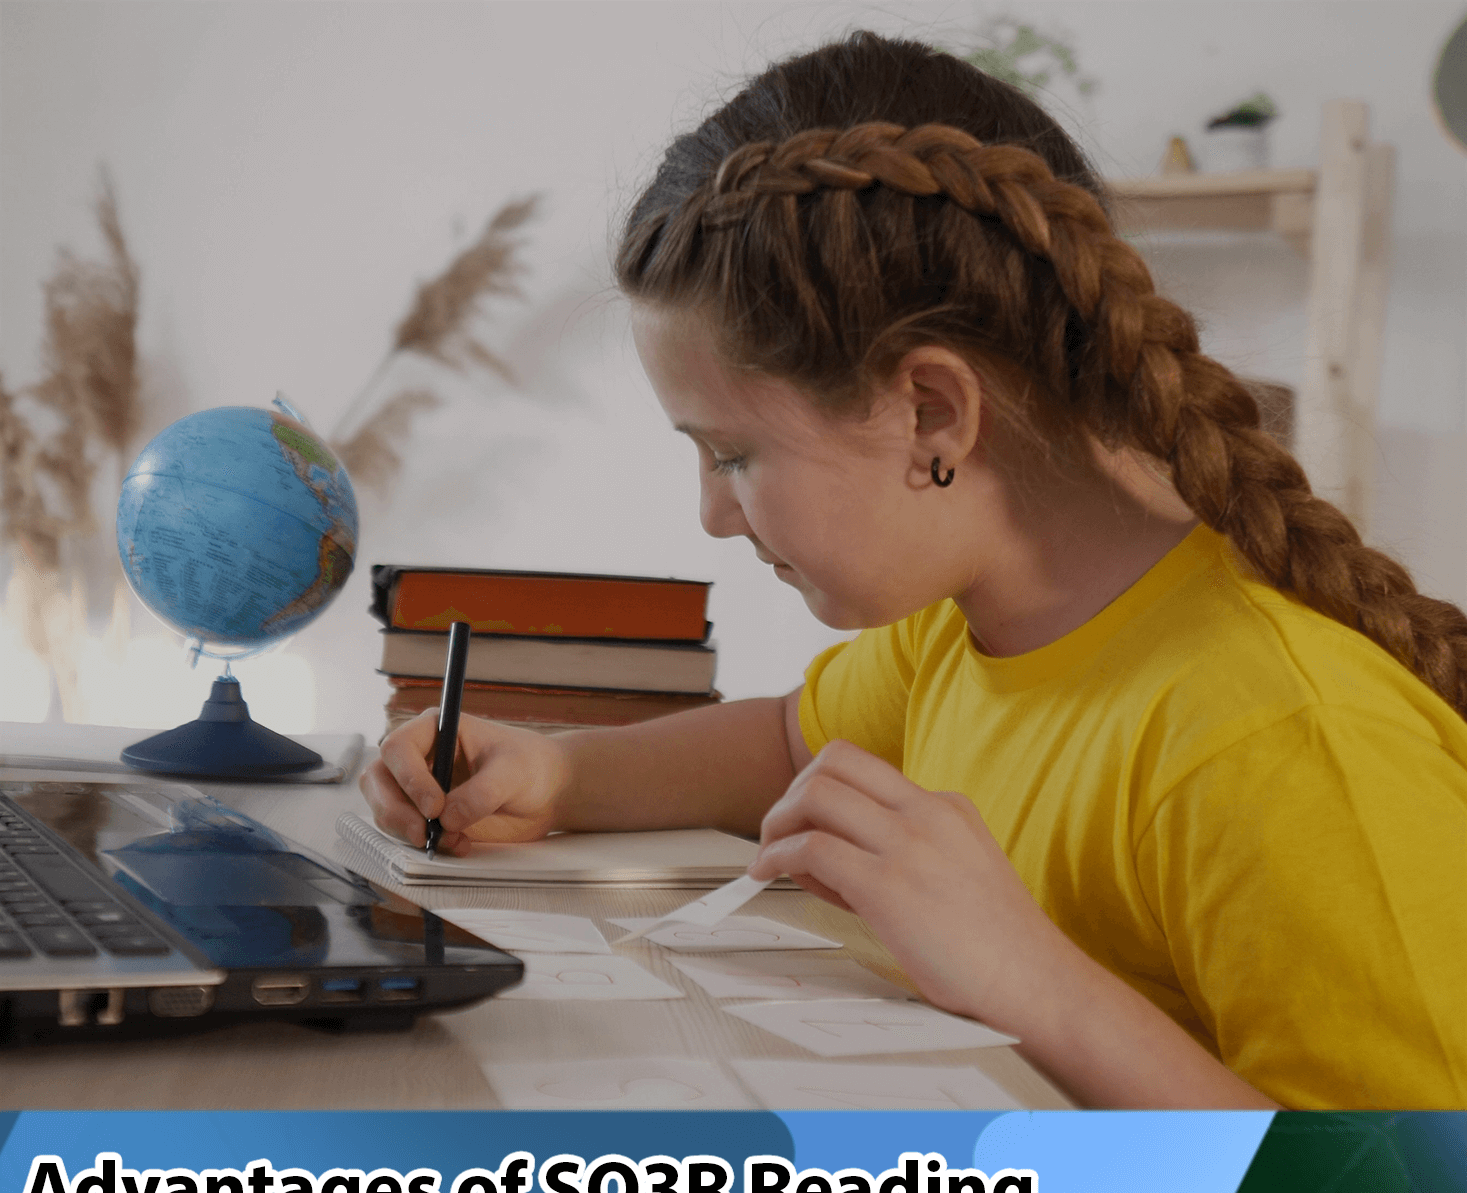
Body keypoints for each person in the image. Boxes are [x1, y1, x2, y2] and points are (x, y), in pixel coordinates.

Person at [363, 32, 1467, 1109]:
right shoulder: (972, 626)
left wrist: (1028, 978)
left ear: (931, 413)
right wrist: (561, 777)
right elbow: (787, 743)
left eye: (734, 454)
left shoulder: (1281, 740)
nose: (710, 513)